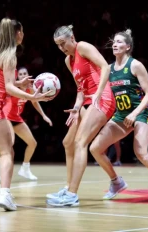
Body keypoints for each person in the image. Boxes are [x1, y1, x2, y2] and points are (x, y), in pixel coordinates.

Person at [0, 18, 52, 211]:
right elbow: (7, 87)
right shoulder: (10, 54)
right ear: (18, 33)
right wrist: (33, 97)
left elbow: (1, 84)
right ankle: (5, 194)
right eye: (22, 31)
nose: (23, 35)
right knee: (7, 152)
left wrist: (19, 85)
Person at [89, 29, 148, 202]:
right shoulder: (108, 69)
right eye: (114, 41)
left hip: (141, 112)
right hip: (121, 115)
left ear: (128, 47)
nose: (115, 44)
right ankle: (116, 182)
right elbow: (101, 93)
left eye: (120, 42)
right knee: (95, 149)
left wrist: (134, 113)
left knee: (141, 153)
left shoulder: (135, 65)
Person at [46, 25, 116, 207]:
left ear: (72, 38)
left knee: (80, 142)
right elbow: (80, 89)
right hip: (88, 101)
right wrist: (77, 107)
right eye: (58, 46)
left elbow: (105, 68)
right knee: (68, 143)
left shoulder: (83, 47)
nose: (62, 48)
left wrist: (99, 94)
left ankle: (72, 195)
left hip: (103, 98)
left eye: (63, 43)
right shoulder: (68, 61)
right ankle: (68, 186)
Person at [0, 67, 53, 181]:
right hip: (6, 116)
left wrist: (44, 115)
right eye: (21, 74)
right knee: (9, 143)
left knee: (32, 143)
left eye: (25, 73)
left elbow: (34, 101)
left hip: (16, 118)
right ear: (17, 77)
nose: (23, 75)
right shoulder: (13, 87)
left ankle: (25, 169)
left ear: (28, 75)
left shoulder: (30, 89)